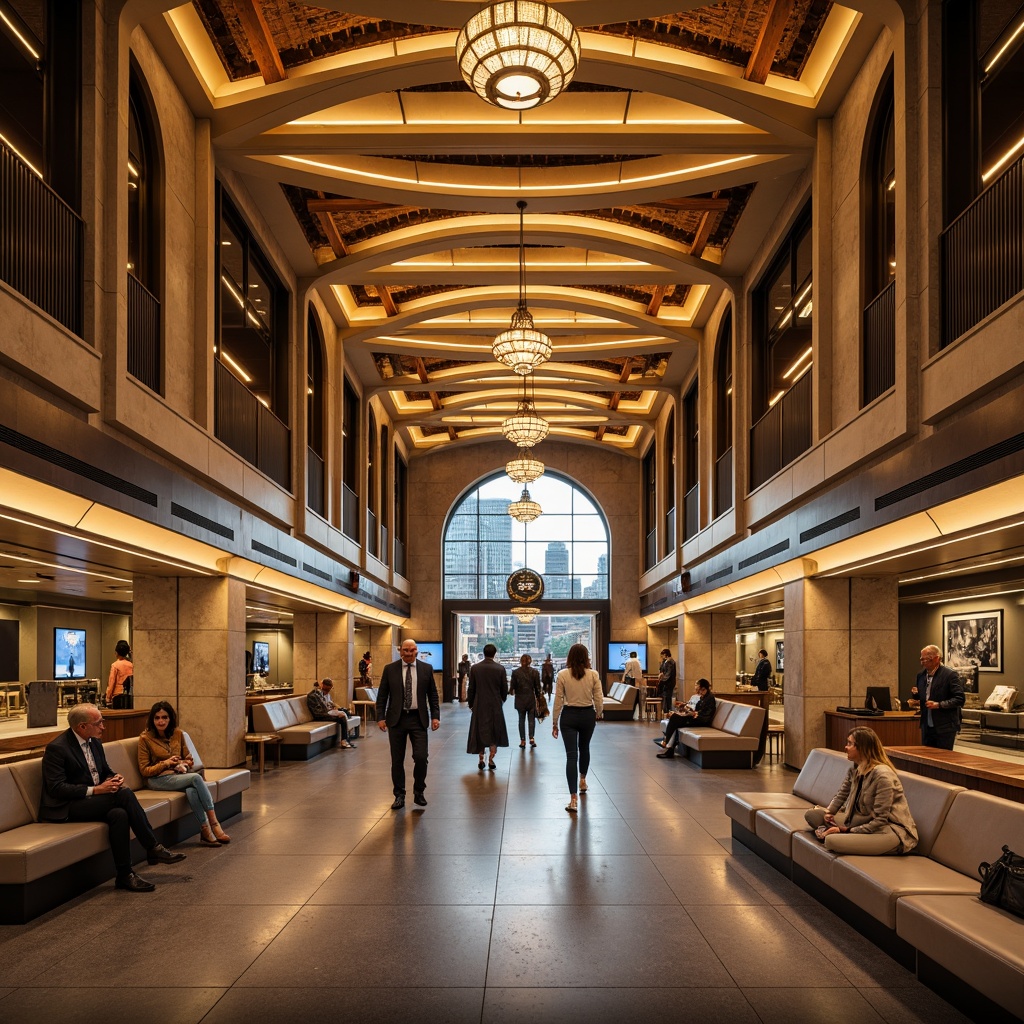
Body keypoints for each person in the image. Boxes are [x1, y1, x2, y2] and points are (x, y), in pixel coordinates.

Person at [39, 703, 185, 892]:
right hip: (66, 807)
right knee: (123, 794)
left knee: (119, 815)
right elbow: (56, 788)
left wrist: (114, 778)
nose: (103, 726)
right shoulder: (57, 748)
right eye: (98, 722)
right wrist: (96, 790)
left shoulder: (95, 743)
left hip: (90, 801)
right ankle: (152, 846)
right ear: (82, 726)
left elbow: (105, 771)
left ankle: (124, 875)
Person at [804, 726, 919, 855]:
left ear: (862, 748)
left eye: (850, 743)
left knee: (831, 841)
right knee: (812, 815)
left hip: (888, 830)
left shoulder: (883, 776)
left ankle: (845, 836)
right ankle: (839, 833)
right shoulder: (855, 769)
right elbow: (841, 794)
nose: (845, 747)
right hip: (860, 821)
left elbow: (880, 820)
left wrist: (844, 831)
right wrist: (829, 812)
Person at [137, 701, 231, 846]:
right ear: (152, 719)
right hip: (157, 779)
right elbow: (144, 770)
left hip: (178, 776)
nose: (161, 721)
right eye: (157, 718)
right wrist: (167, 763)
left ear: (170, 719)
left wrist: (183, 763)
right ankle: (215, 823)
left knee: (192, 791)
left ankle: (205, 830)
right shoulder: (145, 738)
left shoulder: (178, 734)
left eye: (164, 717)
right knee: (196, 778)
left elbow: (189, 759)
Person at [376, 640, 440, 808]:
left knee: (421, 757)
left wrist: (435, 716)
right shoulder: (390, 669)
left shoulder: (426, 669)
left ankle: (419, 791)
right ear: (400, 651)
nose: (409, 653)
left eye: (412, 650)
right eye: (405, 650)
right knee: (397, 760)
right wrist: (380, 717)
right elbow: (382, 695)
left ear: (417, 651)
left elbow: (432, 694)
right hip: (396, 720)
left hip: (418, 719)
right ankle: (399, 795)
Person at [552, 643, 603, 813]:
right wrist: (599, 712)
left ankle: (573, 799)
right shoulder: (593, 674)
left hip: (569, 716)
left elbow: (558, 700)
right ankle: (583, 780)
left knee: (571, 756)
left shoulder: (563, 675)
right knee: (585, 748)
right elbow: (598, 697)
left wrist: (554, 722)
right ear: (586, 657)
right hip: (588, 715)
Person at [467, 643, 509, 769]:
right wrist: (501, 701)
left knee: (480, 731)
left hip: (479, 703)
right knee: (494, 731)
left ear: (483, 653)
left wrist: (471, 703)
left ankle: (481, 758)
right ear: (494, 653)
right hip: (495, 704)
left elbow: (471, 688)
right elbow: (504, 689)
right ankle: (491, 759)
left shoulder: (475, 668)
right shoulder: (500, 669)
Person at [915, 644, 965, 749]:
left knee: (943, 759)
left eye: (926, 660)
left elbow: (959, 699)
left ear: (937, 659)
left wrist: (939, 705)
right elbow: (923, 696)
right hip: (927, 726)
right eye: (921, 659)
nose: (922, 663)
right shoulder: (921, 675)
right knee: (927, 758)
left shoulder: (950, 675)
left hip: (945, 726)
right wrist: (915, 695)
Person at [656, 678, 716, 758]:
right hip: (695, 718)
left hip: (700, 721)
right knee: (674, 720)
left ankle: (666, 742)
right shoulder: (703, 697)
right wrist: (689, 711)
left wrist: (694, 714)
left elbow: (706, 715)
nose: (700, 692)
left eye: (701, 690)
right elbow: (697, 709)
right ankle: (669, 748)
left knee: (674, 719)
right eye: (699, 690)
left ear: (705, 688)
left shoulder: (710, 698)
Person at [307, 678, 357, 748]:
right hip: (320, 715)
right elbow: (320, 711)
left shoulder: (320, 694)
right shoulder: (314, 695)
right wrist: (332, 710)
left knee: (344, 713)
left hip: (325, 713)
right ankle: (344, 740)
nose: (328, 691)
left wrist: (333, 708)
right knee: (342, 716)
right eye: (327, 689)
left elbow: (327, 705)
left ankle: (346, 739)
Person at [509, 653, 542, 749]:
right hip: (531, 698)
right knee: (531, 719)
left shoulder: (515, 672)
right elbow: (537, 688)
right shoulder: (535, 672)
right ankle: (531, 738)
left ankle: (522, 740)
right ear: (530, 661)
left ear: (520, 661)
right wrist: (539, 698)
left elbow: (512, 687)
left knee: (521, 719)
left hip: (520, 699)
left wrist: (511, 691)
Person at [106, 639, 134, 708]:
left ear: (116, 652)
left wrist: (108, 698)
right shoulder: (131, 665)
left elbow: (111, 683)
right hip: (129, 696)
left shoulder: (115, 665)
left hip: (117, 697)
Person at [622, 650, 644, 715]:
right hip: (638, 680)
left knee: (630, 695)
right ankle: (639, 711)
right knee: (637, 695)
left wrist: (623, 678)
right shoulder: (638, 661)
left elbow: (627, 671)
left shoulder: (629, 661)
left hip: (630, 679)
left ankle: (629, 710)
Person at [657, 647, 677, 713]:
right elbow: (661, 670)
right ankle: (666, 711)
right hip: (666, 683)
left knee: (667, 697)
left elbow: (668, 674)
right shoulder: (665, 661)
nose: (661, 657)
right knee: (666, 697)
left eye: (662, 655)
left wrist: (662, 679)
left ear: (666, 655)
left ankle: (667, 712)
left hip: (668, 683)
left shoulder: (670, 661)